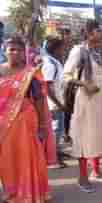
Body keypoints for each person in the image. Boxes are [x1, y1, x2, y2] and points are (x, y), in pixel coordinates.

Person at [0, 35, 52, 203]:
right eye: (11, 49)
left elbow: (39, 99)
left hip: (25, 122)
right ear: (5, 51)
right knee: (7, 157)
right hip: (3, 123)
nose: (15, 53)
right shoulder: (0, 70)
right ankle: (11, 191)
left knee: (27, 156)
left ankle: (31, 193)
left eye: (19, 50)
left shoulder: (31, 73)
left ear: (24, 53)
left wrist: (43, 125)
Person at [64, 19, 102, 193]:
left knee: (97, 135)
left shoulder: (101, 51)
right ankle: (82, 178)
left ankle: (96, 171)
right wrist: (85, 84)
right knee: (84, 138)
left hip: (100, 99)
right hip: (85, 100)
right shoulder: (79, 51)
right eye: (99, 31)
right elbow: (67, 75)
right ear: (89, 33)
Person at [42, 35, 68, 168]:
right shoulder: (49, 64)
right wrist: (58, 104)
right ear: (56, 49)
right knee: (54, 130)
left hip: (58, 102)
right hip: (53, 104)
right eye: (62, 48)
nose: (63, 50)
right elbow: (47, 88)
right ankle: (51, 159)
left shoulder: (55, 61)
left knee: (58, 130)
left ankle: (56, 153)